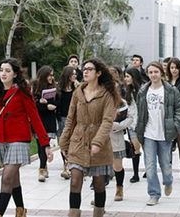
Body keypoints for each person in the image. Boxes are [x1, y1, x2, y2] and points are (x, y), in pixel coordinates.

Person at [0, 58, 54, 217]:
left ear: (15, 73)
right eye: (1, 70)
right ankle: (20, 210)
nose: (3, 74)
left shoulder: (23, 91)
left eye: (7, 70)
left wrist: (45, 144)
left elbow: (35, 118)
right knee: (14, 179)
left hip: (19, 139)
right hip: (2, 140)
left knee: (6, 177)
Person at [59, 58, 122, 217]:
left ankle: (98, 213)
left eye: (89, 69)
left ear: (98, 73)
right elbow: (70, 119)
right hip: (78, 142)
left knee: (99, 185)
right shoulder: (77, 92)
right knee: (75, 181)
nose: (85, 72)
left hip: (99, 147)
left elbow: (108, 121)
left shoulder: (107, 94)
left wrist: (98, 142)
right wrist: (64, 142)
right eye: (84, 69)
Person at [135, 61, 180, 206]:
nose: (153, 75)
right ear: (147, 74)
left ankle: (168, 182)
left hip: (165, 133)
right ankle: (154, 194)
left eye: (156, 72)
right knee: (150, 166)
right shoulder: (143, 91)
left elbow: (179, 108)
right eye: (150, 72)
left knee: (166, 166)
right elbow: (139, 111)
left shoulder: (170, 90)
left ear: (161, 73)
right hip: (148, 133)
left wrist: (175, 125)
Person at [32, 66, 60, 182]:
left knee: (46, 144)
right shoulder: (36, 87)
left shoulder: (55, 87)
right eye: (49, 75)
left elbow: (58, 101)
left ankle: (43, 167)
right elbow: (34, 103)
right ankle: (42, 168)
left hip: (50, 120)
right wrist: (43, 104)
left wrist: (50, 104)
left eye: (53, 75)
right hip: (39, 119)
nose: (51, 78)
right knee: (40, 145)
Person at [124, 67, 146, 183]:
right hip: (132, 124)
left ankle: (148, 169)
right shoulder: (127, 91)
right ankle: (136, 174)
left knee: (145, 147)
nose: (125, 79)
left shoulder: (144, 89)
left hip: (144, 123)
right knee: (135, 147)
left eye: (128, 76)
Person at [57, 66, 78, 180]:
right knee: (64, 142)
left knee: (73, 142)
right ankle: (66, 165)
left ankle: (70, 165)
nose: (75, 76)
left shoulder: (77, 88)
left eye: (75, 74)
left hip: (75, 119)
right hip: (62, 118)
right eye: (72, 74)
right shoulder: (59, 88)